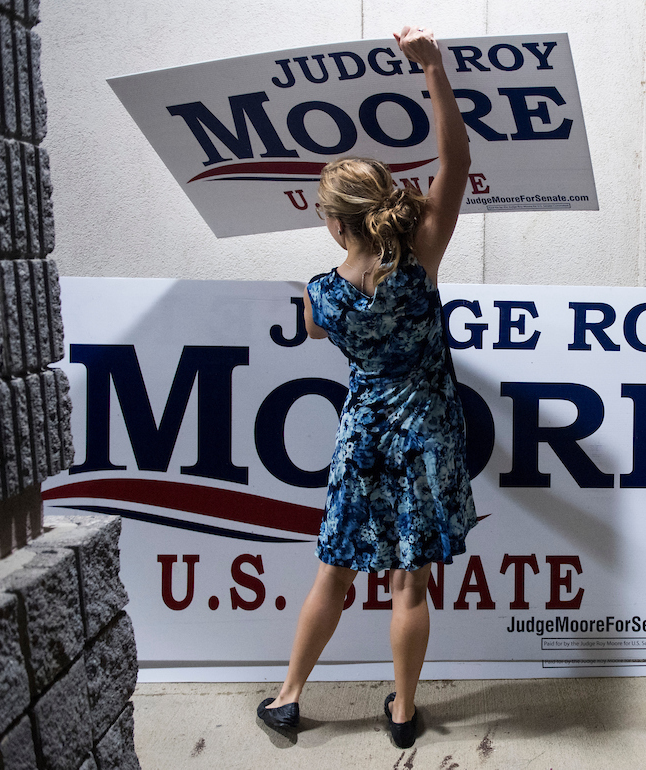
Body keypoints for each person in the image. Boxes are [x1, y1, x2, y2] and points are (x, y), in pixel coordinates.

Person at [256, 25, 476, 749]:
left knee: (335, 574)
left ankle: (289, 699)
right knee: (409, 584)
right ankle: (405, 714)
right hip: (426, 437)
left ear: (333, 221)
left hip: (365, 440)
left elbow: (322, 333)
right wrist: (433, 71)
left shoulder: (321, 295)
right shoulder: (422, 254)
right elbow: (457, 156)